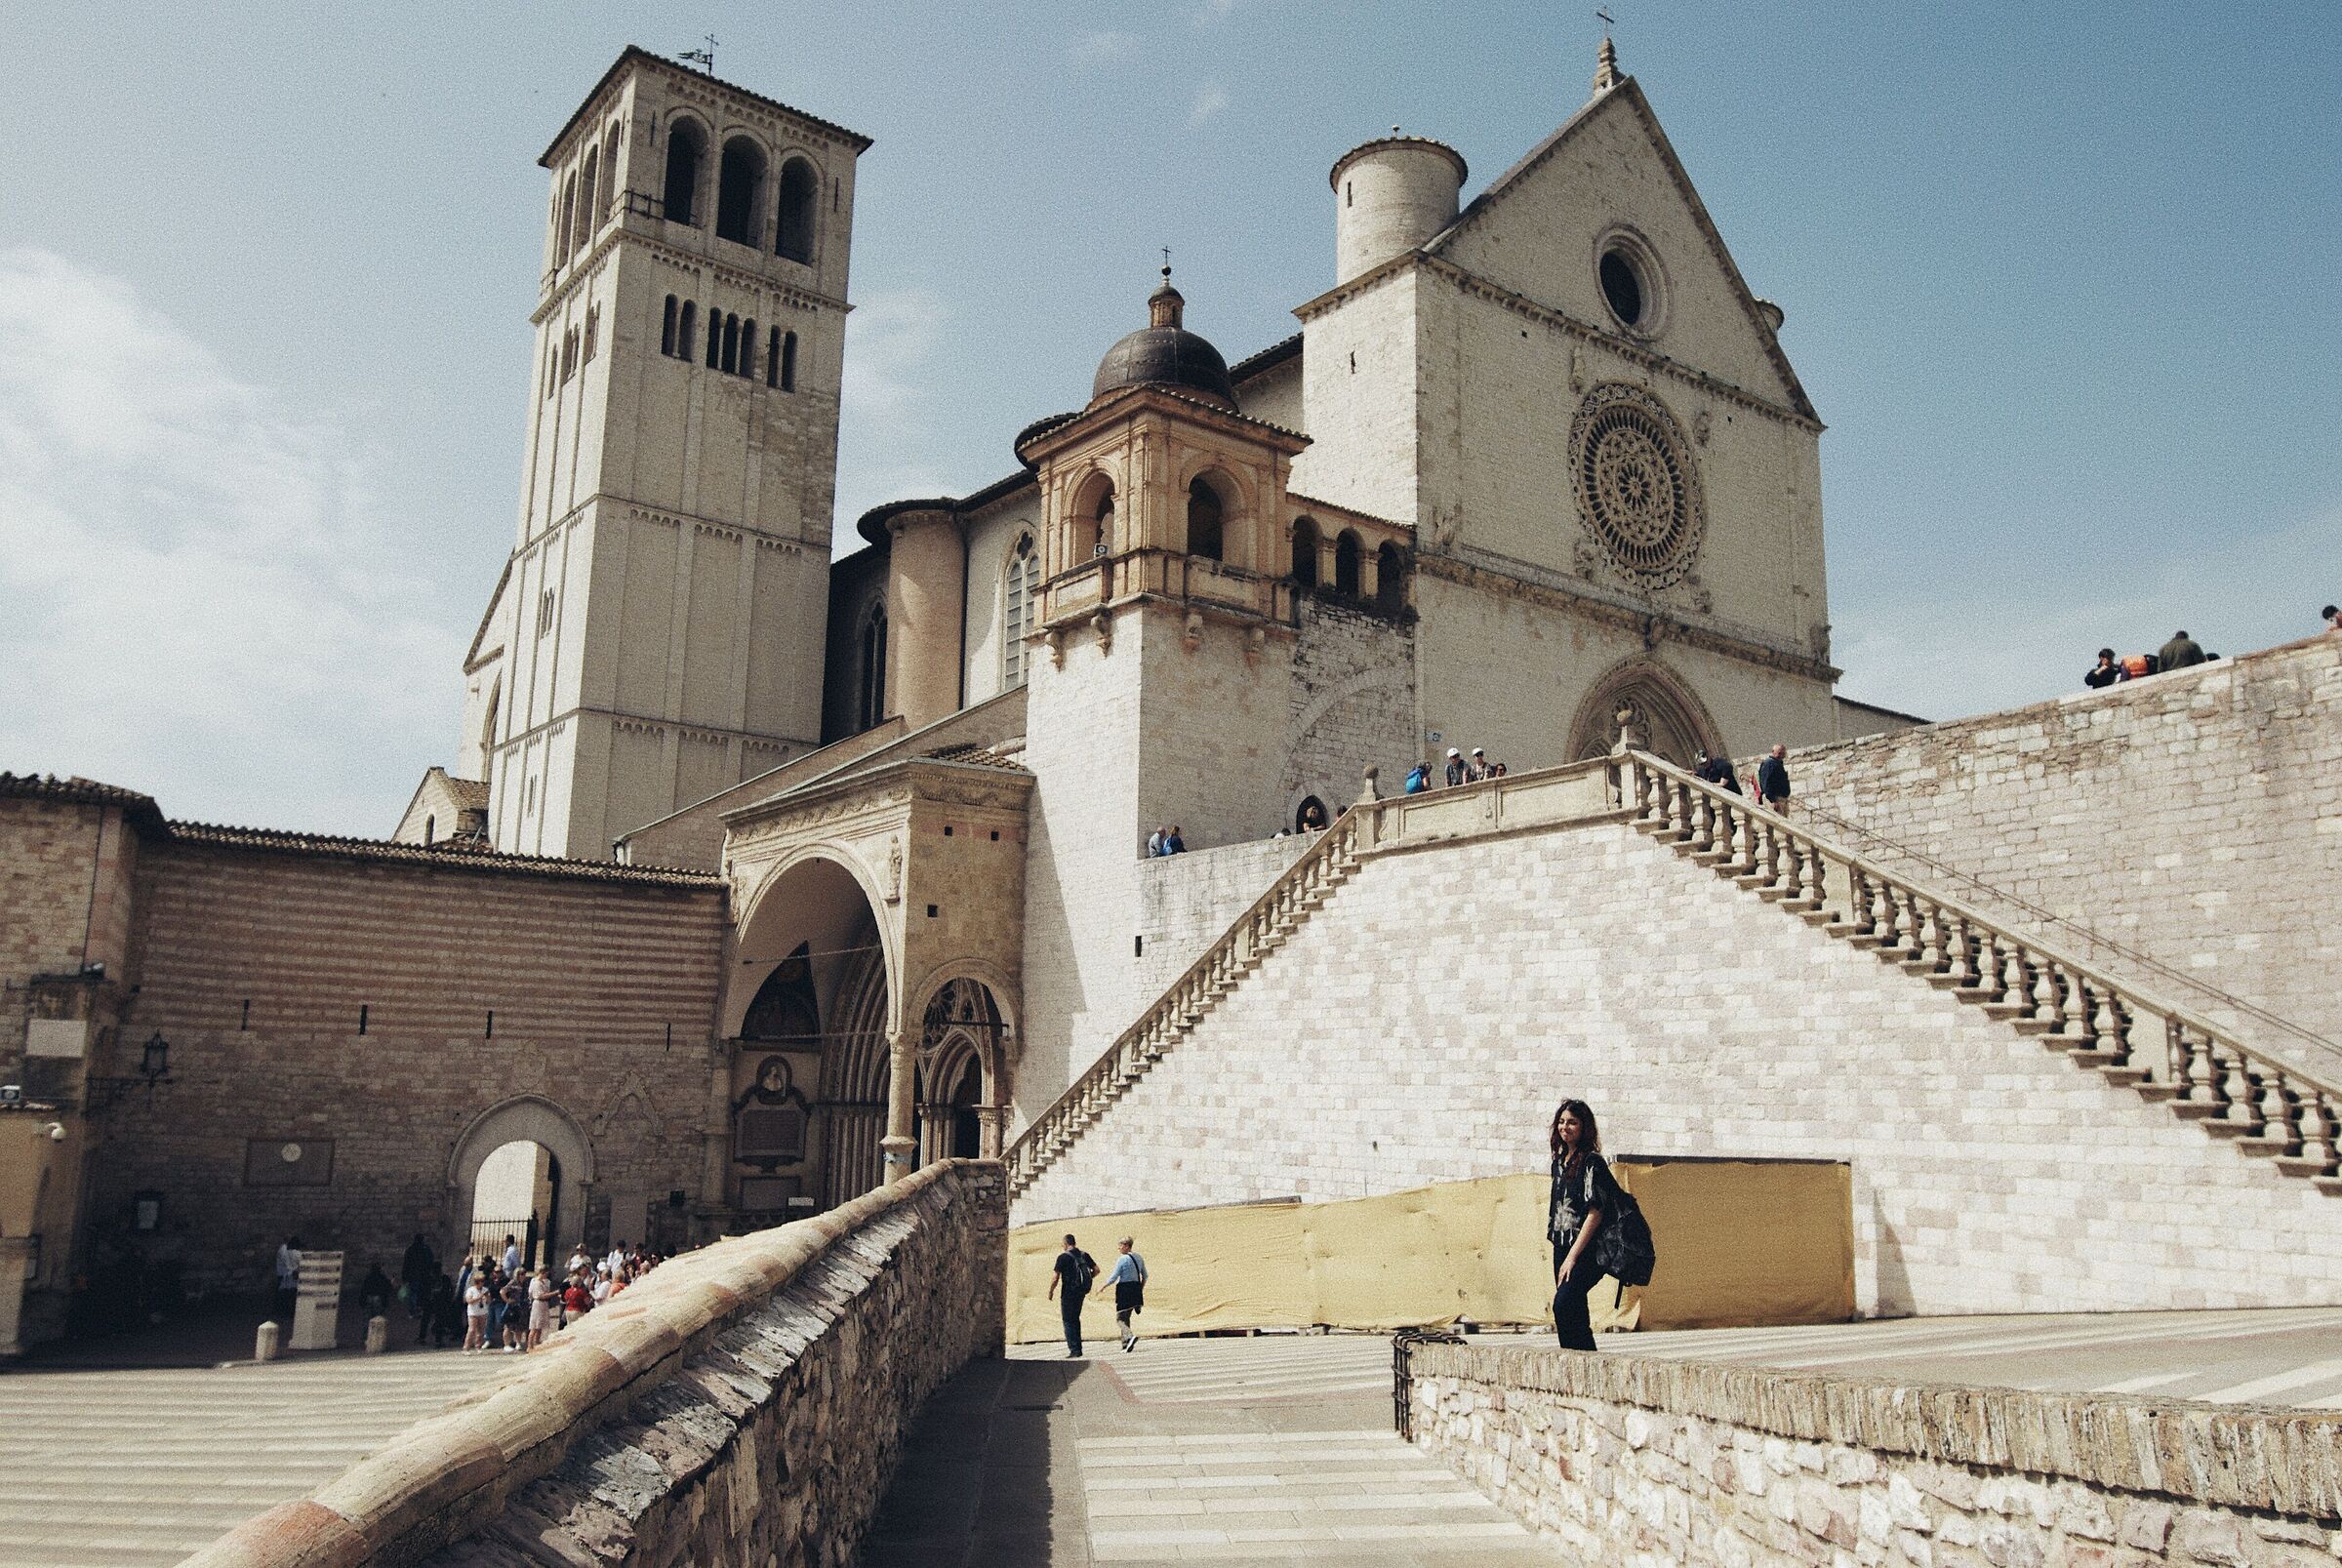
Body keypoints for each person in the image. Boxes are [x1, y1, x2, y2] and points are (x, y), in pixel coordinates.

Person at [1548, 1099, 1623, 1352]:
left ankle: (1587, 1359)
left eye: (1572, 1122)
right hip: (1561, 1244)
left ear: (1584, 1127)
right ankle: (1576, 1363)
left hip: (1585, 1249)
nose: (1565, 1127)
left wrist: (1572, 1257)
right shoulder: (1558, 1163)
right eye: (1561, 1121)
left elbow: (1595, 1212)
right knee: (1573, 1312)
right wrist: (1563, 1254)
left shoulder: (1592, 1163)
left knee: (1564, 1303)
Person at [1047, 1233, 1097, 1358]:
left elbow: (1055, 1277)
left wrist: (1051, 1291)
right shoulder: (1084, 1255)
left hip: (1068, 1293)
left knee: (1068, 1320)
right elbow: (1096, 1270)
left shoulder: (1063, 1257)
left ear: (1065, 1244)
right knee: (1075, 1318)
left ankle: (1074, 1350)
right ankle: (1078, 1348)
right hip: (1081, 1291)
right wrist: (1088, 1279)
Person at [1104, 1237, 1149, 1352]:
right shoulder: (1139, 1257)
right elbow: (1145, 1275)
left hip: (1124, 1290)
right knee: (1126, 1317)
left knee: (1119, 1318)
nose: (1118, 1248)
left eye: (1120, 1245)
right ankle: (1126, 1344)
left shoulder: (1122, 1259)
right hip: (1136, 1290)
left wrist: (1103, 1286)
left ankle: (1130, 1335)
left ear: (1126, 1246)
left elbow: (1114, 1277)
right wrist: (1140, 1289)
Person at [462, 1268, 491, 1352]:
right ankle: (466, 1348)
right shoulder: (471, 1290)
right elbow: (469, 1301)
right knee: (472, 1330)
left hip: (483, 1312)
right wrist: (479, 1297)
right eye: (481, 1281)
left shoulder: (485, 1290)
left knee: (481, 1330)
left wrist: (487, 1297)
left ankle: (478, 1346)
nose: (482, 1283)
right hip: (473, 1313)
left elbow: (489, 1301)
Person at [273, 1235, 302, 1321]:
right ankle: (289, 1312)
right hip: (291, 1274)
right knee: (291, 1294)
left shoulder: (285, 1250)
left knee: (286, 1293)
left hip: (286, 1274)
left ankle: (284, 1312)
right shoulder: (293, 1252)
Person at [527, 1266, 556, 1348]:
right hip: (538, 1303)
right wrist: (555, 1293)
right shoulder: (535, 1282)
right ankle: (529, 1345)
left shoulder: (546, 1281)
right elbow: (540, 1295)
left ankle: (537, 1342)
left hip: (544, 1304)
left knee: (540, 1325)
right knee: (534, 1325)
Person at [1756, 744, 1791, 809]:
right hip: (1774, 799)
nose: (1781, 755)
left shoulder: (1777, 763)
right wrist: (1772, 800)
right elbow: (1766, 783)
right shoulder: (1769, 763)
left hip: (1780, 799)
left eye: (1783, 753)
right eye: (1779, 753)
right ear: (1773, 751)